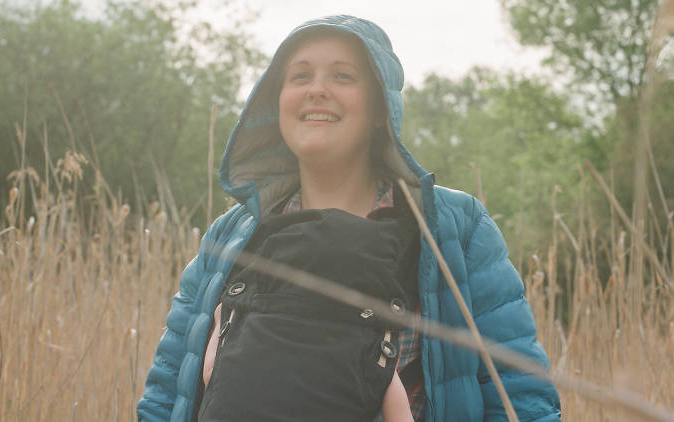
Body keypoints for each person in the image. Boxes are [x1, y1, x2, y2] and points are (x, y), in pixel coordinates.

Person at [137, 15, 561, 422]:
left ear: (381, 109)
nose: (316, 90)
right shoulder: (232, 235)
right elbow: (166, 394)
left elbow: (522, 401)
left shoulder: (453, 228)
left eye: (343, 76)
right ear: (275, 101)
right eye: (300, 76)